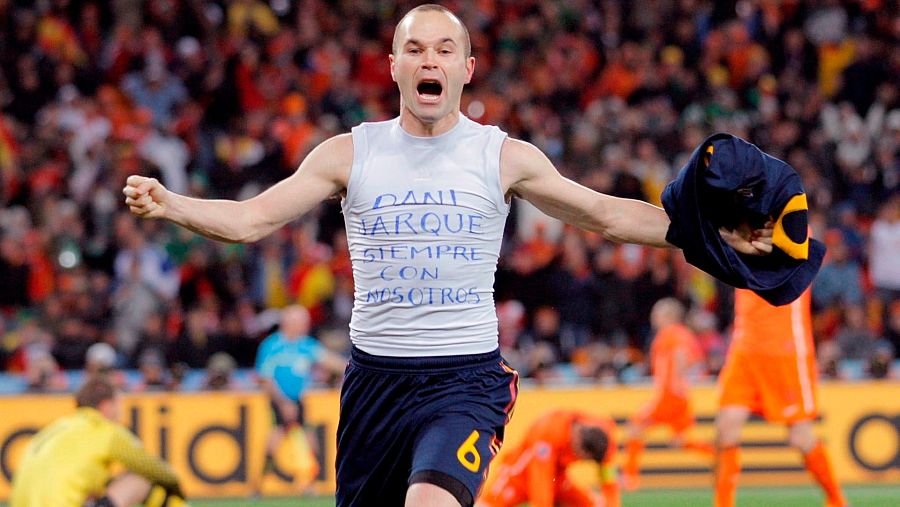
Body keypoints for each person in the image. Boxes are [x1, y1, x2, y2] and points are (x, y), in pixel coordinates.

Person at [123, 5, 771, 506]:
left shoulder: (501, 155)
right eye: (413, 48)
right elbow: (250, 219)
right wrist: (171, 203)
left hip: (464, 380)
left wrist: (714, 235)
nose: (427, 58)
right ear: (394, 66)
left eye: (443, 48)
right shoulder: (349, 152)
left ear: (466, 68)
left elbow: (604, 212)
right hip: (374, 382)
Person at [714, 288, 847, 507]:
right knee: (726, 427)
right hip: (745, 348)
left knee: (800, 437)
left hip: (785, 349)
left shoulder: (798, 253)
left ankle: (837, 500)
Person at [10, 376, 188, 507]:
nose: (120, 412)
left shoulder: (55, 429)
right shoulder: (104, 429)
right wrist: (177, 489)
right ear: (106, 406)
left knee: (100, 489)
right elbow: (152, 468)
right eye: (118, 405)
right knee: (138, 480)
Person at [622, 298, 713, 490]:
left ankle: (630, 478)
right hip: (678, 395)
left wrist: (675, 381)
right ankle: (719, 457)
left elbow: (681, 354)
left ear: (668, 316)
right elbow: (695, 359)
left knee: (634, 428)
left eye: (657, 313)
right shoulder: (681, 334)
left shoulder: (672, 333)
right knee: (680, 440)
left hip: (669, 395)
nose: (653, 317)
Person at [254, 304, 345, 490]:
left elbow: (330, 360)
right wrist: (283, 402)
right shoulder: (272, 345)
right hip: (278, 399)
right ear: (289, 322)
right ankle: (259, 485)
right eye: (302, 321)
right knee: (275, 437)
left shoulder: (305, 345)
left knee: (309, 438)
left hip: (298, 399)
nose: (306, 325)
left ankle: (310, 482)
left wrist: (358, 368)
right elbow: (264, 379)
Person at [475, 409, 620, 507]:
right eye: (584, 458)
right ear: (577, 443)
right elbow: (540, 481)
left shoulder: (605, 443)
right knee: (486, 505)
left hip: (557, 477)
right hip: (519, 474)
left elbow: (609, 481)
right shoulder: (550, 433)